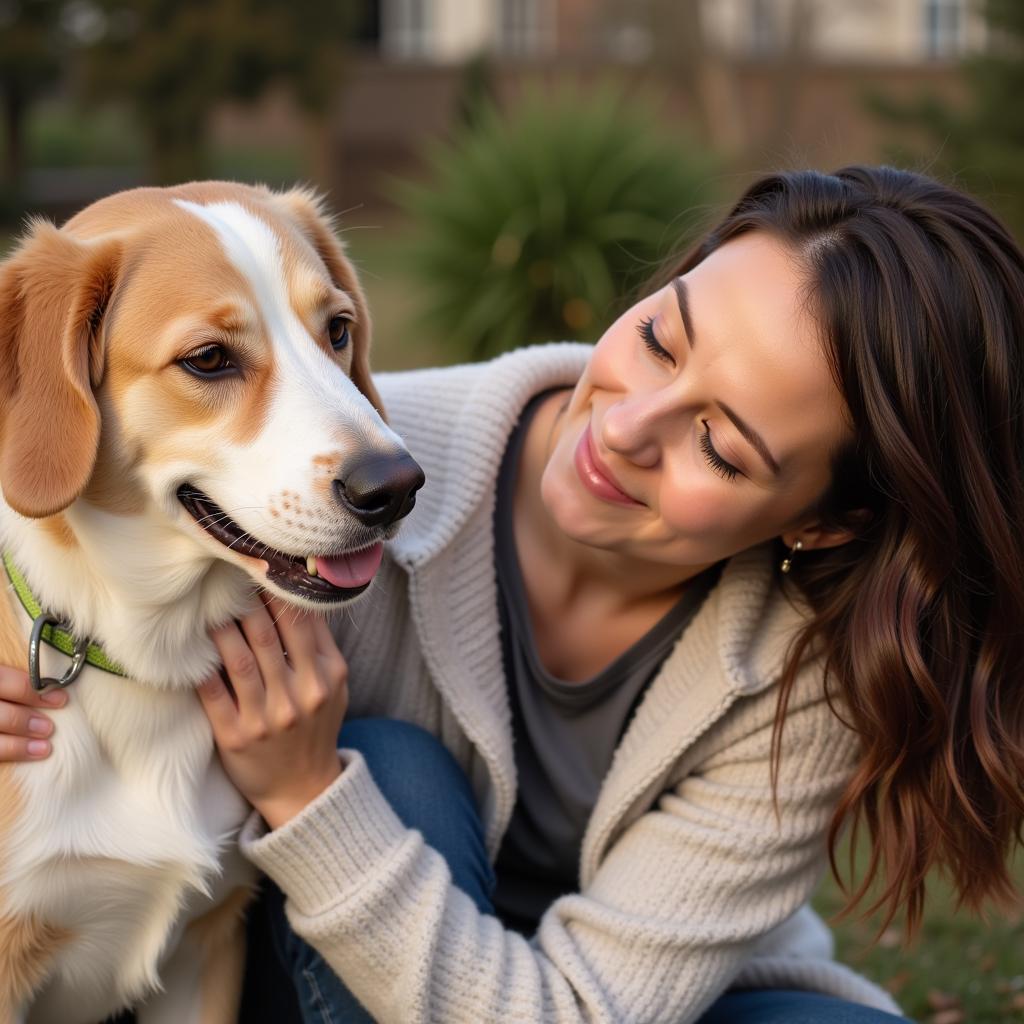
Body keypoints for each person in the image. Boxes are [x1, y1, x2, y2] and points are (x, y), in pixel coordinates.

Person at [3, 165, 1023, 1024]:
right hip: (351, 963)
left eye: (719, 441)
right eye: (662, 340)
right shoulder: (337, 490)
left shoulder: (812, 674)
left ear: (825, 520)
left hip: (633, 994)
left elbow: (589, 1007)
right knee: (397, 770)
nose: (625, 429)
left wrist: (308, 796)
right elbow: (65, 506)